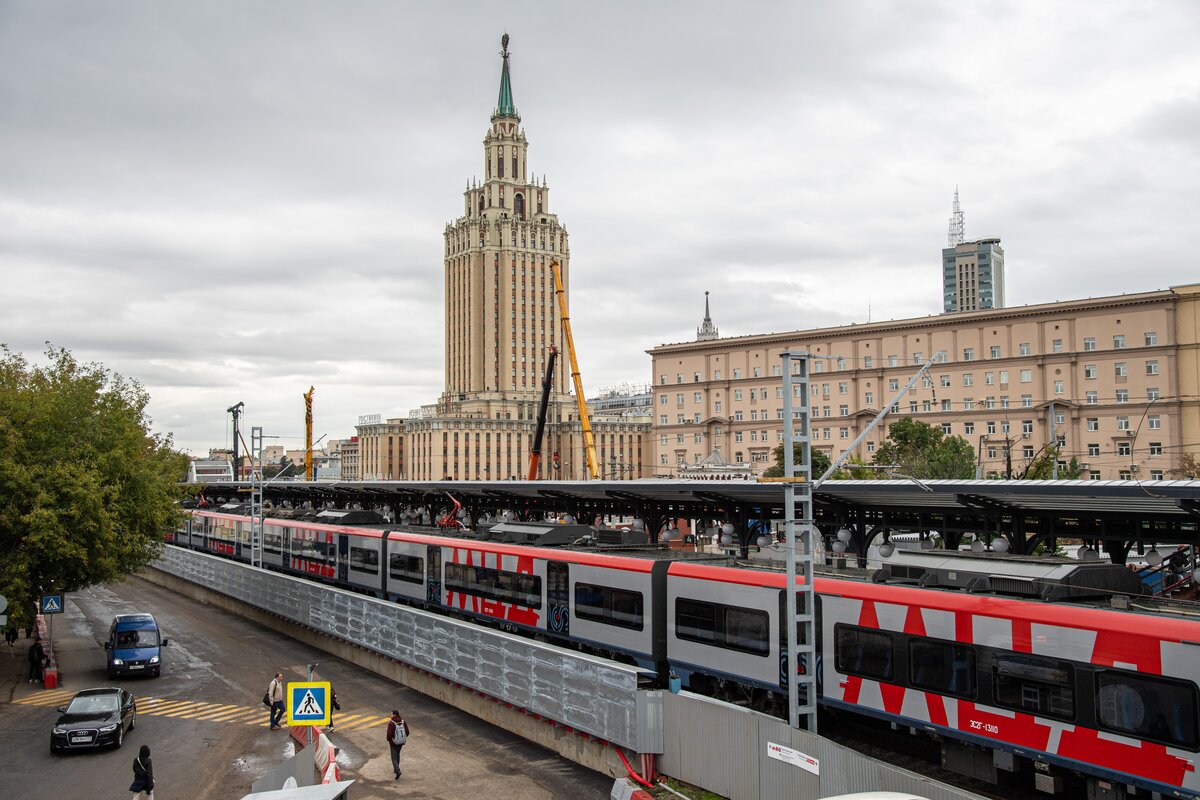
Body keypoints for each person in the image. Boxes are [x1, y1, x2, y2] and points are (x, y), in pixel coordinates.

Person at [386, 709, 410, 779]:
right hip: (401, 742)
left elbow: (389, 734)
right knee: (397, 755)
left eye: (391, 714)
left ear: (394, 715)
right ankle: (396, 768)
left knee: (394, 757)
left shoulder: (391, 723)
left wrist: (389, 740)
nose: (390, 715)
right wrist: (401, 738)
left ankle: (397, 771)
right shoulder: (403, 722)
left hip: (393, 743)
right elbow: (407, 732)